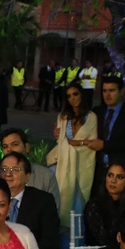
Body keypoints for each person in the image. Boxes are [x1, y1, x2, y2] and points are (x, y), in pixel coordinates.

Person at [1, 152, 65, 249]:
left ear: (27, 176)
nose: (8, 174)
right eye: (4, 169)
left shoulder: (43, 200)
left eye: (15, 170)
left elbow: (49, 241)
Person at [85, 76, 125, 197]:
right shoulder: (96, 112)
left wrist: (104, 145)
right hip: (96, 172)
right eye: (104, 91)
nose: (107, 95)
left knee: (120, 206)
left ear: (121, 91)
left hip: (122, 172)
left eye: (112, 90)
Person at [50, 82, 98, 229]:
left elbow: (92, 143)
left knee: (78, 207)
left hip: (84, 165)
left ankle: (76, 239)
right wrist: (77, 142)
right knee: (62, 200)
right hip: (63, 163)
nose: (72, 98)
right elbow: (60, 141)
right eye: (69, 96)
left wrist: (76, 143)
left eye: (75, 94)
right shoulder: (63, 117)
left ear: (82, 94)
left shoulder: (91, 117)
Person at [83, 162, 125, 247]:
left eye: (120, 177)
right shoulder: (94, 205)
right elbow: (102, 239)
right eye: (110, 175)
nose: (113, 181)